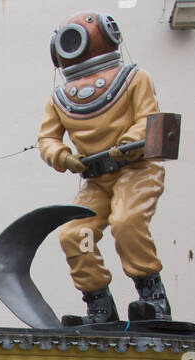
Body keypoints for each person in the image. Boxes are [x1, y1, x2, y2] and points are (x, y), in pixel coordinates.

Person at [37, 11, 170, 324]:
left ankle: (153, 297)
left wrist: (128, 142)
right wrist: (62, 156)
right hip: (96, 181)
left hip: (136, 171)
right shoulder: (59, 100)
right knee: (74, 233)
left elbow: (148, 121)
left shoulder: (135, 79)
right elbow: (47, 139)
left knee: (127, 222)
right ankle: (99, 304)